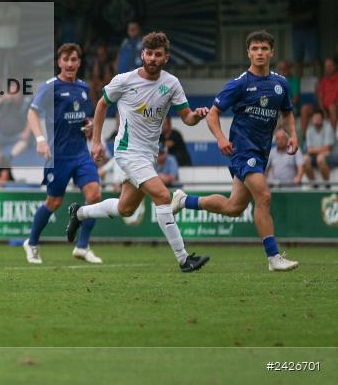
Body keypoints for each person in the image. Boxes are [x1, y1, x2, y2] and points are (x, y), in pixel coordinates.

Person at [67, 32, 211, 273]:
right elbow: (101, 105)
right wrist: (97, 142)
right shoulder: (124, 80)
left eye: (158, 54)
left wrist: (196, 116)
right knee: (163, 197)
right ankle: (184, 259)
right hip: (127, 151)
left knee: (126, 208)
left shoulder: (171, 84)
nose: (153, 58)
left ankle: (79, 213)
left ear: (166, 57)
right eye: (149, 53)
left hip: (148, 155)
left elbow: (187, 117)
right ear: (142, 54)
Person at [172, 30, 299, 271]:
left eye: (264, 48)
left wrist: (293, 134)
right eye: (255, 49)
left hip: (261, 152)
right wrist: (220, 139)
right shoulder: (240, 84)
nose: (259, 53)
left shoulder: (280, 84)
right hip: (242, 149)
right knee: (264, 196)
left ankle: (184, 200)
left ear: (272, 52)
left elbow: (287, 112)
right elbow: (213, 114)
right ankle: (273, 257)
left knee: (234, 207)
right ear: (248, 52)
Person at [25, 43, 103, 265]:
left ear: (79, 62)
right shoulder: (51, 87)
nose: (70, 64)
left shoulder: (83, 88)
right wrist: (40, 140)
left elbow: (86, 118)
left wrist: (89, 126)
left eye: (74, 60)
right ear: (59, 62)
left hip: (80, 154)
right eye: (66, 60)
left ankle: (82, 246)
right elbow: (32, 113)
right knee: (54, 202)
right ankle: (32, 243)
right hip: (58, 156)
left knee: (94, 196)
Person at [303, 108, 335, 185]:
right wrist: (320, 150)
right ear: (312, 119)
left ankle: (327, 185)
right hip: (316, 155)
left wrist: (314, 150)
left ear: (322, 119)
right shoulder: (309, 130)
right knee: (304, 159)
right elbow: (309, 150)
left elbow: (328, 148)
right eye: (315, 118)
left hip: (331, 155)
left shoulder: (328, 127)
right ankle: (314, 185)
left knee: (320, 158)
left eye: (318, 117)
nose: (316, 119)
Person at [318, 57, 338, 129]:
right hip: (325, 108)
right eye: (326, 66)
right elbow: (320, 97)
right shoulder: (324, 80)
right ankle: (304, 135)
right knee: (305, 108)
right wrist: (323, 111)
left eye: (330, 66)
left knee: (332, 107)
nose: (328, 68)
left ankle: (334, 133)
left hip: (335, 107)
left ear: (334, 67)